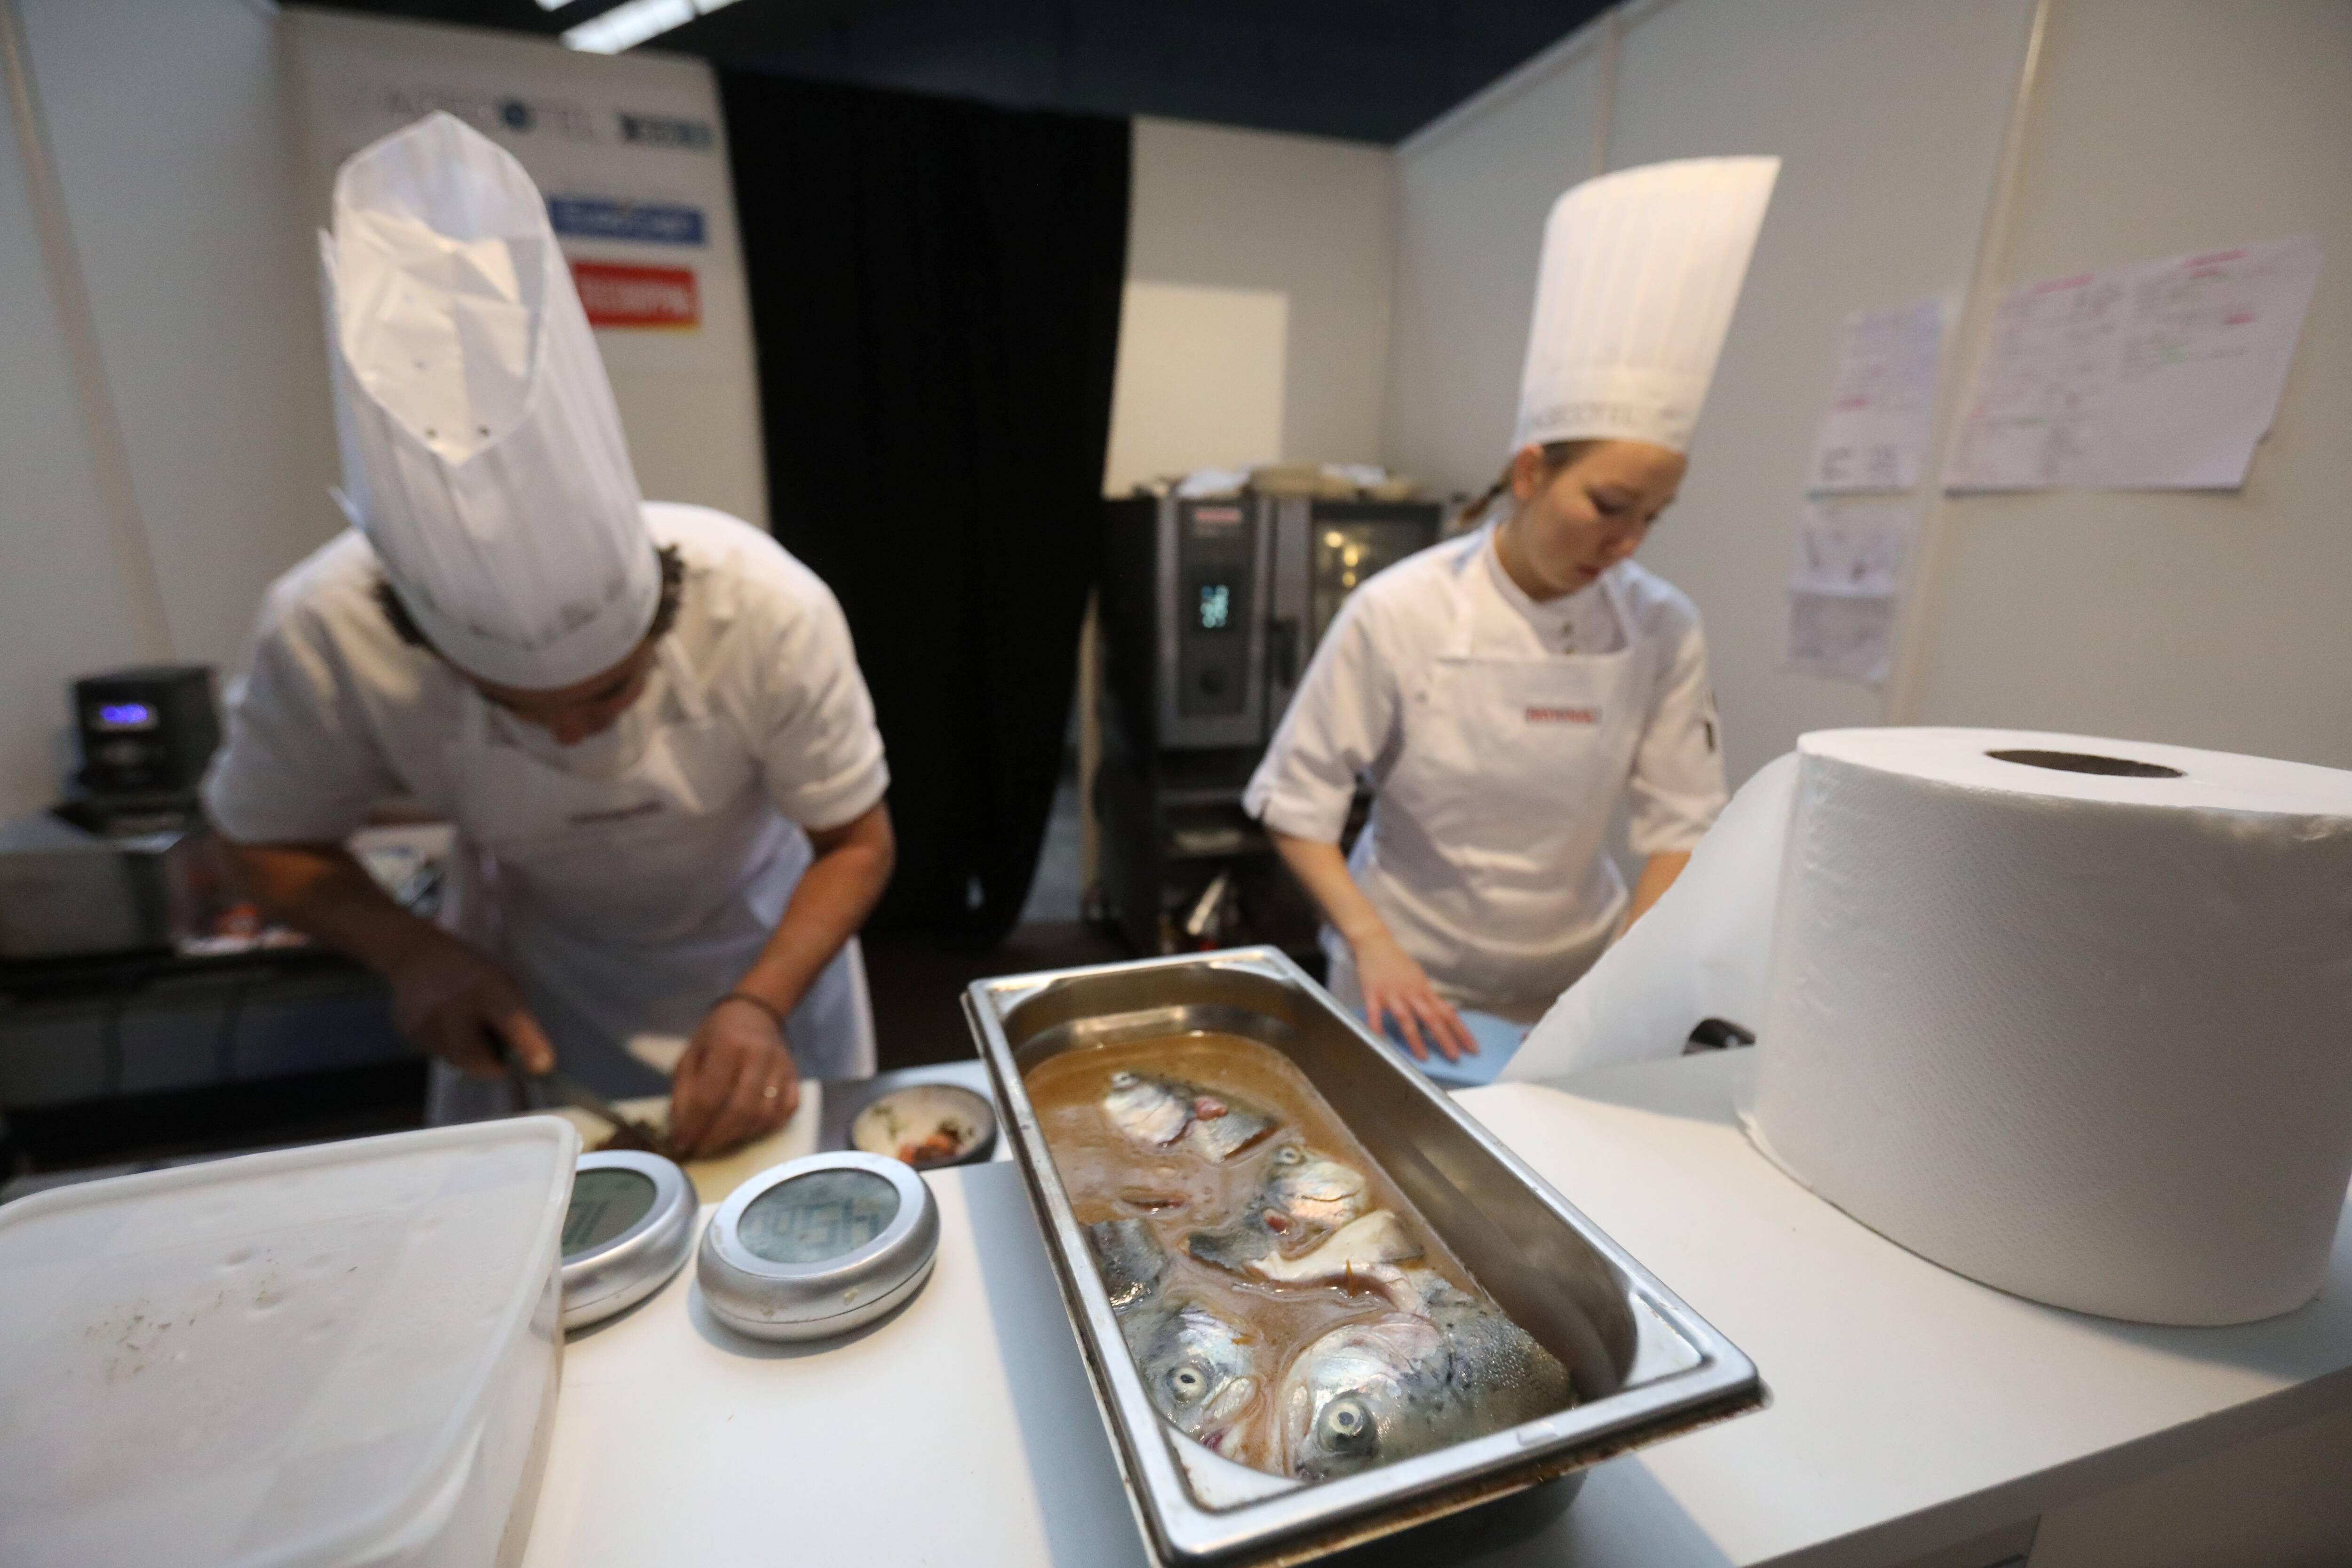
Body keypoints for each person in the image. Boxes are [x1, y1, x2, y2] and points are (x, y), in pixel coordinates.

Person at [204, 113, 893, 1157]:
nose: (573, 738)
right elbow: (261, 841)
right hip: (536, 979)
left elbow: (856, 839)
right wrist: (412, 954)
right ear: (423, 646)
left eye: (609, 693)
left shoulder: (763, 602)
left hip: (765, 948)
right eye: (512, 705)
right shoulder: (324, 625)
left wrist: (759, 1001)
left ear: (666, 603)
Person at [1244, 156, 1779, 1066]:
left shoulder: (1660, 625)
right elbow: (1299, 805)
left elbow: (1681, 828)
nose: (1627, 545)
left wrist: (1619, 978)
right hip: (1403, 973)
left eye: (1652, 518)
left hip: (1573, 978)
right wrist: (1374, 944)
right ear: (1530, 474)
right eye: (1609, 507)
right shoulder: (1401, 609)